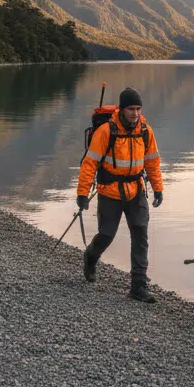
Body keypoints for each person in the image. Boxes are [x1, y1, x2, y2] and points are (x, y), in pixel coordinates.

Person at [77, 87, 164, 303]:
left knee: (140, 233)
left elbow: (152, 162)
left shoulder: (145, 131)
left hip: (136, 190)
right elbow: (90, 163)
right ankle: (91, 256)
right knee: (106, 235)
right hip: (110, 191)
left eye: (138, 109)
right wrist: (82, 193)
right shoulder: (106, 131)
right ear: (122, 109)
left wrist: (158, 188)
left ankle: (138, 286)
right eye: (131, 109)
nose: (135, 113)